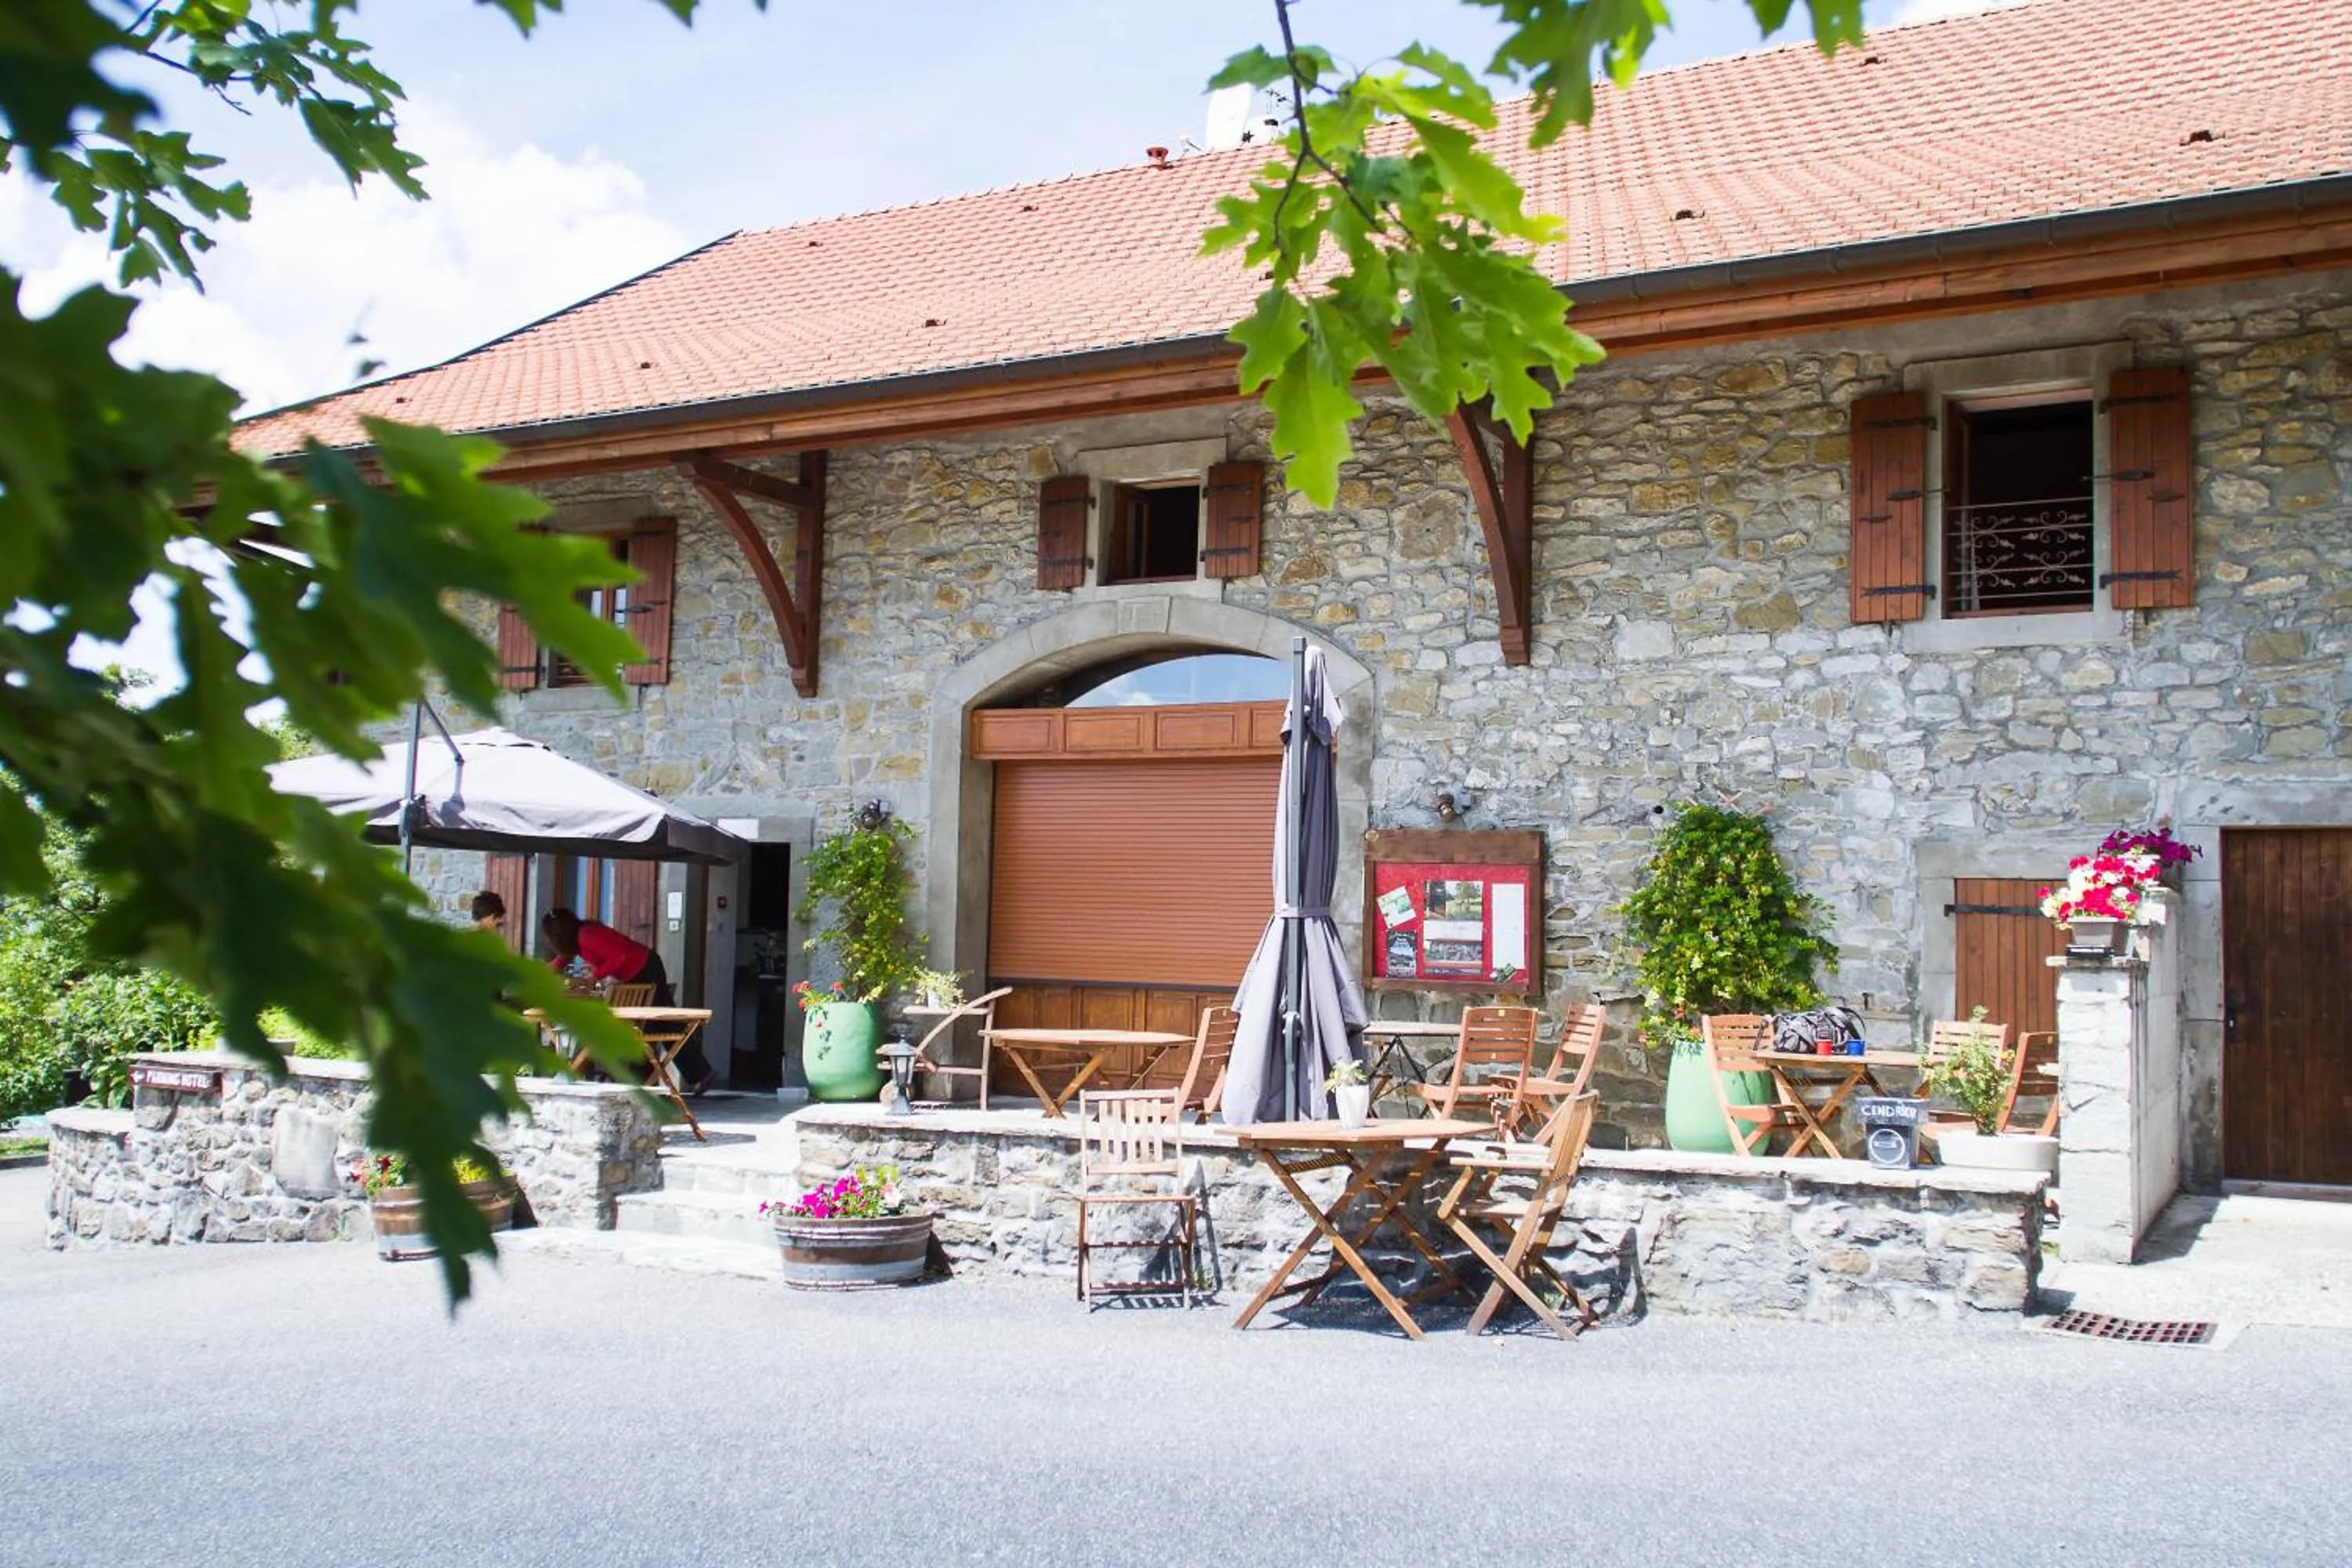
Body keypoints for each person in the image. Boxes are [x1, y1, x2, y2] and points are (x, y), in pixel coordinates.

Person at [540, 906, 714, 1094]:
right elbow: (563, 959)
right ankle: (683, 1077)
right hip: (640, 971)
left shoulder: (586, 936)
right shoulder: (579, 938)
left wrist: (594, 977)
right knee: (658, 1026)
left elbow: (618, 957)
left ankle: (690, 1076)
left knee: (660, 1025)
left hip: (645, 969)